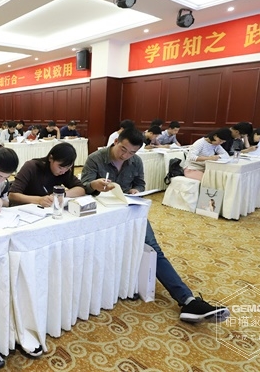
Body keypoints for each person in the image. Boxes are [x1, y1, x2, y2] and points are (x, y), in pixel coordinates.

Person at [80, 128, 230, 324]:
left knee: (154, 249)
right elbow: (83, 187)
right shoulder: (96, 158)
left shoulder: (136, 161)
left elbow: (140, 183)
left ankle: (188, 300)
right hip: (101, 215)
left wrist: (136, 190)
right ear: (116, 141)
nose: (126, 155)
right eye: (123, 149)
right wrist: (94, 185)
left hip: (129, 211)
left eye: (131, 152)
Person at [9, 142, 85, 206]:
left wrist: (62, 194)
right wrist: (39, 200)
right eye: (60, 167)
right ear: (50, 158)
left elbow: (81, 189)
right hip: (25, 209)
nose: (63, 172)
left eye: (68, 168)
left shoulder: (64, 171)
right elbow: (12, 195)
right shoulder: (31, 167)